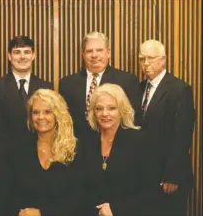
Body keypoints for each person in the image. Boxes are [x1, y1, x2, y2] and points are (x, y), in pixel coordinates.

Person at [77, 83, 159, 216]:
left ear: (122, 110)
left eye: (111, 108)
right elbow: (79, 188)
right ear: (93, 112)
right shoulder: (85, 141)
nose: (105, 114)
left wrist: (116, 209)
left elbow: (151, 192)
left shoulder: (140, 141)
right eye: (99, 108)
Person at [139, 39, 195, 216]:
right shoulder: (138, 88)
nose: (146, 63)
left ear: (163, 60)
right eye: (142, 59)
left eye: (151, 58)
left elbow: (182, 135)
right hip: (144, 177)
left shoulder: (180, 89)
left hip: (169, 178)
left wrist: (172, 175)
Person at [59, 31, 142, 139]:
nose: (94, 55)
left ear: (108, 53)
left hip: (114, 147)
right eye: (89, 51)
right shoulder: (67, 84)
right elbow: (63, 121)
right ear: (83, 55)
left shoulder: (127, 81)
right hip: (77, 149)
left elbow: (133, 120)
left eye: (99, 50)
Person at [11, 89, 78, 216]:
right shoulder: (19, 150)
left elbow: (80, 199)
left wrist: (42, 213)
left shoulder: (74, 150)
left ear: (57, 115)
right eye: (35, 112)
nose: (41, 117)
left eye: (47, 112)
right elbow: (11, 193)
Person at [0, 35, 53, 149]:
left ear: (33, 55)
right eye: (17, 52)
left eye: (27, 52)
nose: (22, 57)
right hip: (6, 157)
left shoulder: (46, 87)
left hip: (40, 154)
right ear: (9, 56)